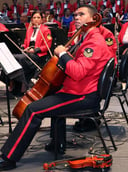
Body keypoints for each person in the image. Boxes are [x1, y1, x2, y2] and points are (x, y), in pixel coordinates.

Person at [0, 5, 113, 171]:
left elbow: (78, 72)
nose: (76, 17)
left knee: (33, 109)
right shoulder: (86, 37)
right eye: (75, 14)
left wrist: (63, 54)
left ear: (92, 18)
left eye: (81, 14)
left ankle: (9, 157)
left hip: (83, 96)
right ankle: (57, 144)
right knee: (49, 96)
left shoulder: (94, 42)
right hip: (76, 90)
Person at [9, 11, 52, 96]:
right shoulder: (29, 29)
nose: (36, 19)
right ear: (31, 19)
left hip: (39, 55)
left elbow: (47, 46)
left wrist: (35, 50)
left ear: (42, 20)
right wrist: (24, 47)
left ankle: (22, 82)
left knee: (20, 59)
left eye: (38, 18)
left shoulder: (46, 30)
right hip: (29, 53)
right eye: (34, 18)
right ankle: (14, 80)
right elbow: (26, 42)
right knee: (13, 57)